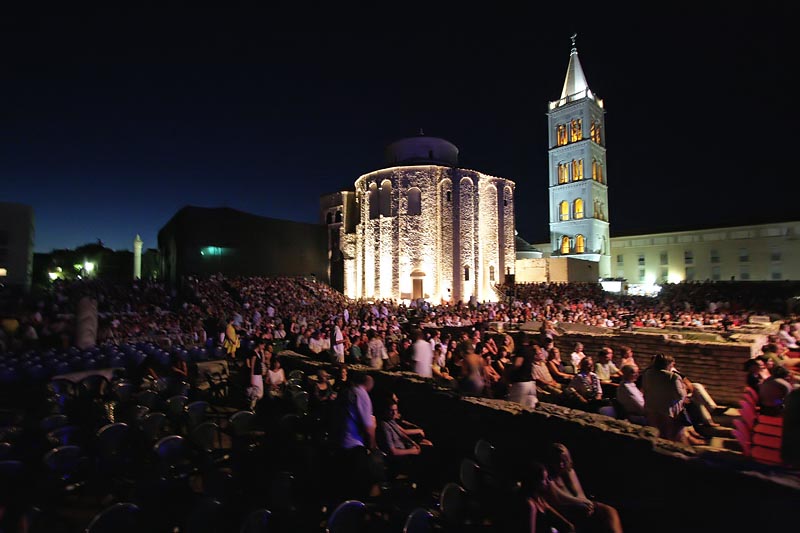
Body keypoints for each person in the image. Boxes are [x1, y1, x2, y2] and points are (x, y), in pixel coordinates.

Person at [543, 443, 623, 533]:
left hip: (581, 502)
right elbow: (561, 498)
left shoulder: (570, 471)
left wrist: (587, 504)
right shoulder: (549, 477)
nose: (561, 464)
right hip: (565, 507)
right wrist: (583, 503)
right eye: (557, 461)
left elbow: (580, 494)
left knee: (610, 511)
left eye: (563, 461)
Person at [641, 354, 705, 445]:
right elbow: (680, 395)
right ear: (668, 364)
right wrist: (684, 389)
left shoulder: (647, 374)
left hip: (651, 409)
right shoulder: (673, 377)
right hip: (668, 412)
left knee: (658, 435)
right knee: (674, 436)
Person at [505, 461, 575, 533]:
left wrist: (568, 525)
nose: (548, 482)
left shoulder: (539, 498)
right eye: (544, 479)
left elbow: (551, 511)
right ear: (534, 481)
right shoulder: (530, 504)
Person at [505, 332, 537, 408]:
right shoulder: (531, 350)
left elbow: (517, 364)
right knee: (530, 406)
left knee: (514, 406)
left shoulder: (521, 350)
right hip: (531, 383)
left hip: (521, 383)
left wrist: (508, 372)